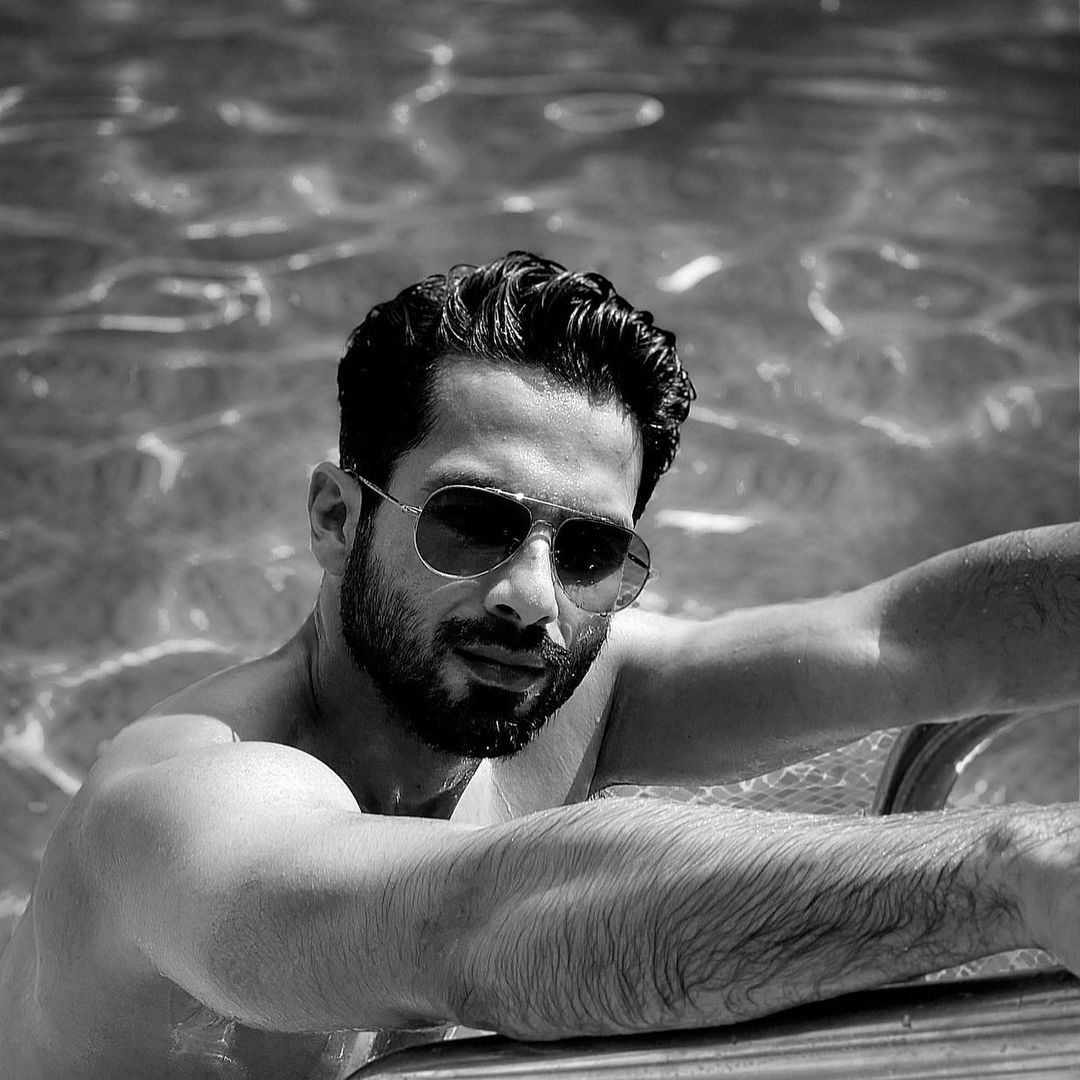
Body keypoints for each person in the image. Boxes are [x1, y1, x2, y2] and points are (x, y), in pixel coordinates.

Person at [0, 251, 1076, 1080]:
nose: (533, 597)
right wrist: (1012, 869)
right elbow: (469, 924)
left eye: (590, 550)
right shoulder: (187, 802)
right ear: (335, 518)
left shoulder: (574, 685)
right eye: (473, 521)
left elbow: (907, 640)